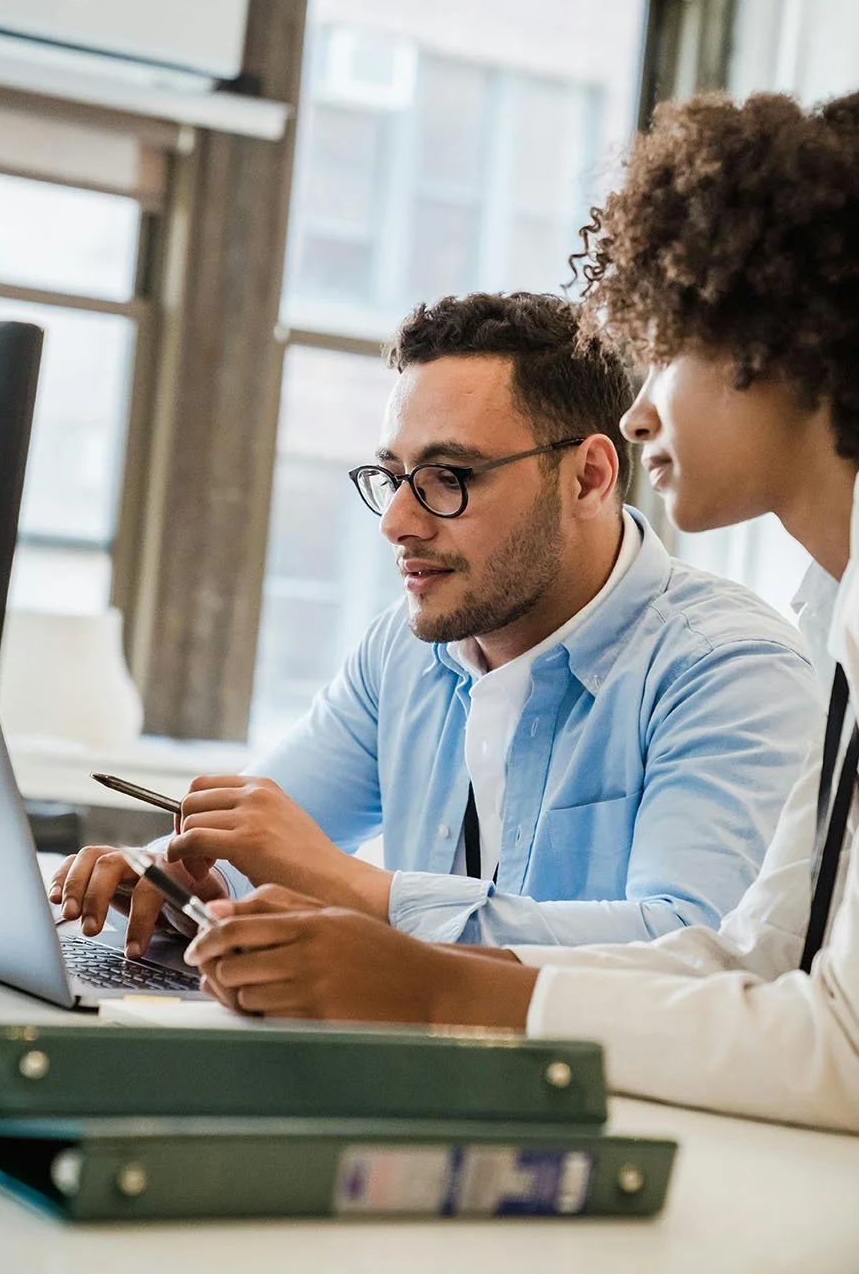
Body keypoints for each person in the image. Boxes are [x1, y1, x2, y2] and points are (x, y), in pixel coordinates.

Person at [184, 88, 859, 1135]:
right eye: (393, 478)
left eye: (669, 348)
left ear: (782, 346)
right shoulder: (837, 611)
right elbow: (739, 960)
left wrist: (429, 977)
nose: (639, 413)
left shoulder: (741, 658)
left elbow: (840, 1044)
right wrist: (183, 878)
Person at [52, 293, 816, 958]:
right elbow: (259, 843)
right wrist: (161, 875)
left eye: (449, 478)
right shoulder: (405, 650)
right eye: (392, 478)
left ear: (589, 476)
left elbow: (695, 948)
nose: (397, 522)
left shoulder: (730, 666)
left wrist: (350, 886)